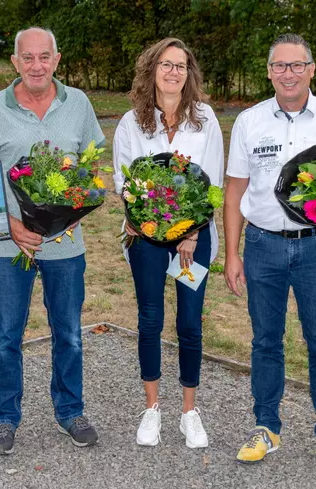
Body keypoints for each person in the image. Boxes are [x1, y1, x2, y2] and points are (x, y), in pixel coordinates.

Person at [223, 33, 316, 472]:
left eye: (297, 65)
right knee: (266, 341)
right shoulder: (249, 121)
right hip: (263, 245)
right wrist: (232, 253)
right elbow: (234, 192)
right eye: (280, 66)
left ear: (311, 70)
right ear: (269, 71)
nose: (288, 73)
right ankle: (266, 427)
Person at [0, 27, 105, 455]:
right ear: (15, 62)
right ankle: (5, 419)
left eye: (44, 57)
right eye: (28, 58)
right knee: (6, 335)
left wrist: (75, 207)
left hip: (65, 244)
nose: (37, 65)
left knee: (69, 333)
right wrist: (10, 224)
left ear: (57, 60)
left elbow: (92, 169)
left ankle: (70, 411)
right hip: (9, 246)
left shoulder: (77, 103)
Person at [112, 38, 224, 448]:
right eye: (166, 64)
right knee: (150, 320)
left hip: (195, 240)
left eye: (181, 65)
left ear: (188, 73)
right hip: (146, 238)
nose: (173, 72)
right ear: (152, 70)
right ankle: (152, 409)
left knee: (190, 324)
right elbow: (124, 183)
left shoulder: (205, 119)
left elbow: (212, 180)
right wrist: (151, 226)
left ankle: (189, 412)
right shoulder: (131, 123)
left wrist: (191, 232)